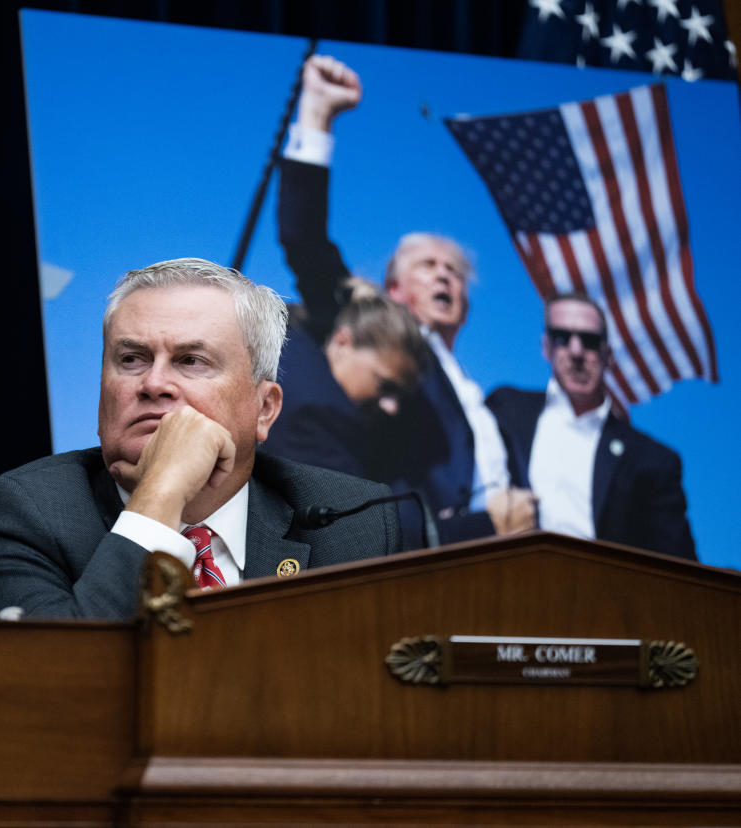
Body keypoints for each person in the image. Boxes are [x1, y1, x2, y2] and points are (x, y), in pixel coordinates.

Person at [0, 257, 403, 620]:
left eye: (191, 361)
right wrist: (162, 494)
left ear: (264, 408)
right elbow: (52, 685)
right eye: (131, 359)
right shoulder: (24, 513)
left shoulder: (351, 523)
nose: (154, 383)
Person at [278, 54, 535, 543]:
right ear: (393, 291)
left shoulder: (489, 400)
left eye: (454, 272)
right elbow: (303, 238)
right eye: (428, 266)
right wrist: (316, 116)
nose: (444, 277)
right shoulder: (370, 329)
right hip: (425, 559)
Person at [487, 294, 695, 560]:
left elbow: (679, 565)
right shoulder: (506, 409)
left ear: (607, 355)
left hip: (598, 594)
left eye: (589, 341)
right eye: (563, 337)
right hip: (505, 582)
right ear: (546, 347)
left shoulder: (651, 461)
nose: (576, 352)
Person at [265, 279, 427, 482]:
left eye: (399, 395)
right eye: (386, 385)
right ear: (342, 342)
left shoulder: (278, 351)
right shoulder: (318, 418)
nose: (392, 407)